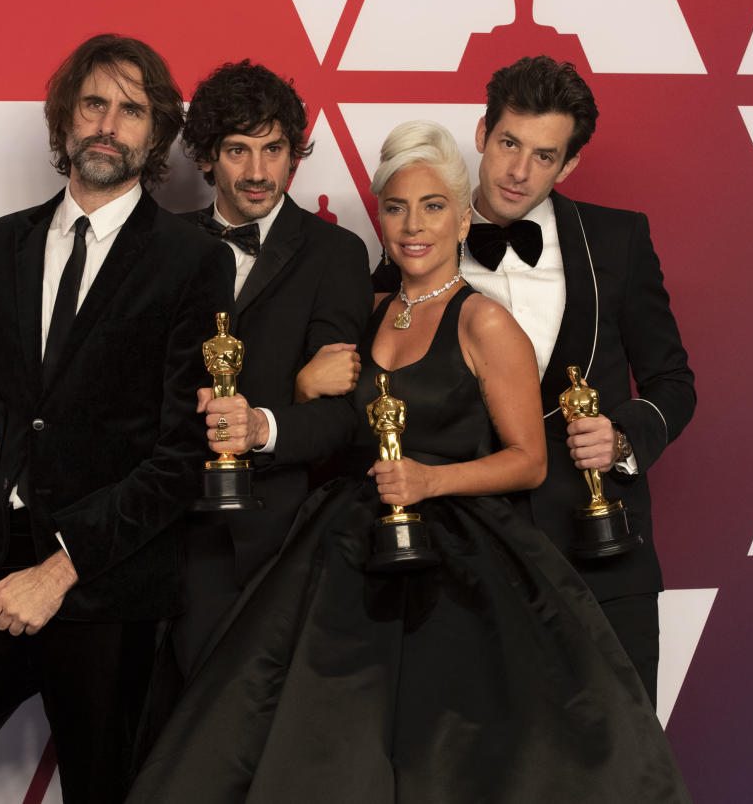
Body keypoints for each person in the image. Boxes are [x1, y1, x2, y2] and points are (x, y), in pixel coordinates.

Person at [126, 121, 689, 803]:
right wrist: (304, 390)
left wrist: (430, 479)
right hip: (347, 551)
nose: (411, 224)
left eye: (431, 206)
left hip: (461, 559)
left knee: (446, 759)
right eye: (395, 207)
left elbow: (529, 463)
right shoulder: (366, 311)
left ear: (460, 219)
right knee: (318, 746)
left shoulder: (487, 322)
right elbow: (337, 424)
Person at [0, 34, 233, 802]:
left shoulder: (191, 260)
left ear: (156, 134)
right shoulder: (0, 245)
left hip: (105, 575)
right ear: (64, 121)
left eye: (132, 110)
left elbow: (181, 453)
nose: (109, 123)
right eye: (94, 103)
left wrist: (60, 569)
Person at [377, 56, 695, 704]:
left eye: (544, 156)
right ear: (482, 132)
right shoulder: (419, 236)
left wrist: (624, 438)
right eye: (508, 144)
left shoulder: (619, 240)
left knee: (625, 773)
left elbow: (673, 381)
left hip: (604, 552)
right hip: (470, 556)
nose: (518, 172)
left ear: (569, 164)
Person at [173, 59, 372, 673]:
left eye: (274, 148)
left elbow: (341, 418)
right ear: (206, 157)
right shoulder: (159, 244)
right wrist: (292, 387)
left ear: (294, 155)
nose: (258, 172)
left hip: (281, 537)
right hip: (167, 529)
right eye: (238, 150)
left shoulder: (336, 253)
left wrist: (263, 425)